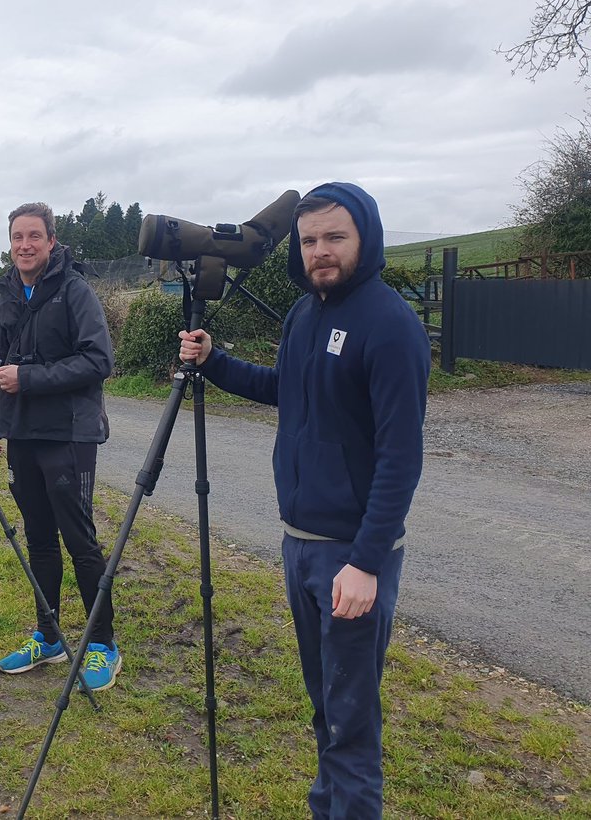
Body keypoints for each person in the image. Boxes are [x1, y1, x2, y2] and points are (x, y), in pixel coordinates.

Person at [178, 182, 430, 817]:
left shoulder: (390, 325)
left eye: (334, 238)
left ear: (364, 238)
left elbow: (401, 457)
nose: (321, 251)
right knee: (327, 709)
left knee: (351, 726)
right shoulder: (303, 314)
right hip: (301, 545)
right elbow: (284, 389)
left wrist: (369, 562)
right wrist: (215, 361)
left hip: (352, 556)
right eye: (310, 239)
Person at [0, 202, 120, 691]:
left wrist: (30, 379)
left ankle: (102, 644)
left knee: (79, 539)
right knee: (38, 537)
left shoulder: (75, 291)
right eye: (17, 236)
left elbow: (99, 360)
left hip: (69, 433)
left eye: (34, 236)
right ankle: (49, 635)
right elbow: (3, 363)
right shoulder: (9, 294)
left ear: (52, 241)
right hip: (22, 433)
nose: (25, 245)